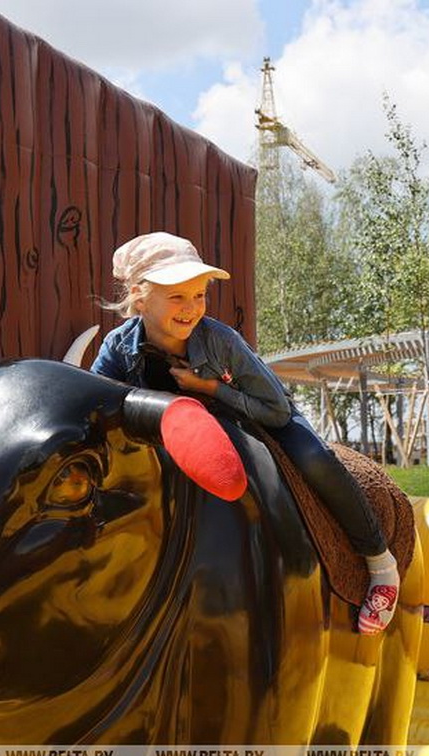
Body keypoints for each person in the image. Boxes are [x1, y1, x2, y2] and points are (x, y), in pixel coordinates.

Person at [90, 231, 400, 636]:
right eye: (178, 297)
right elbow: (96, 401)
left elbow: (275, 409)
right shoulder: (118, 347)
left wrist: (211, 389)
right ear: (139, 295)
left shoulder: (221, 341)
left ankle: (380, 563)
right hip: (190, 434)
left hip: (258, 414)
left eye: (199, 295)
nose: (191, 309)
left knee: (315, 460)